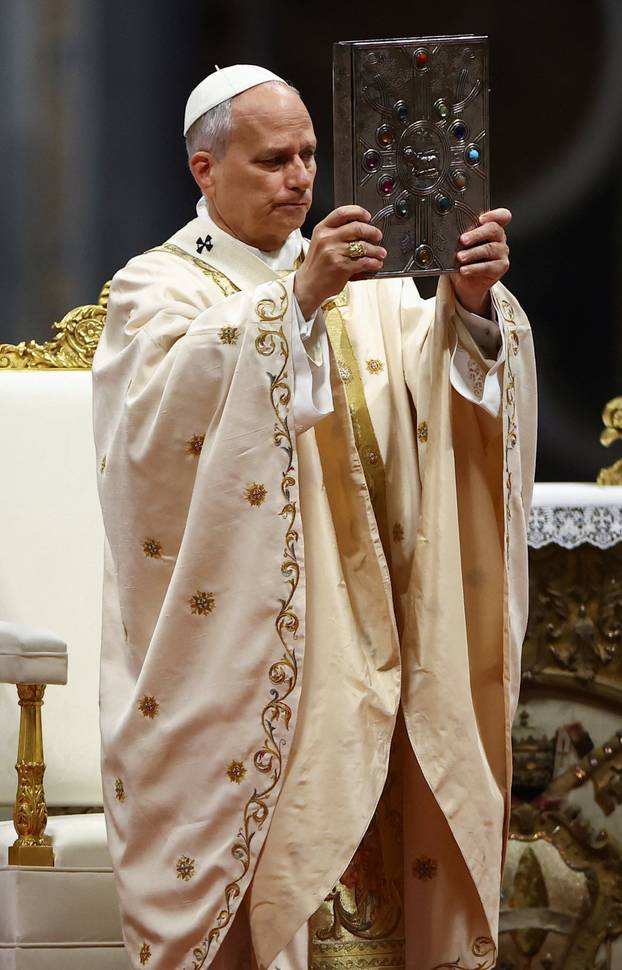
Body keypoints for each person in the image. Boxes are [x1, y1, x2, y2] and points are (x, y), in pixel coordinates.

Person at [92, 64, 536, 970]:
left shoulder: (362, 279)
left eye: (308, 155)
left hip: (379, 637)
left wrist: (471, 303)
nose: (299, 178)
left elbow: (434, 389)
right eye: (271, 160)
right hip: (260, 656)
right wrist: (291, 306)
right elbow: (150, 446)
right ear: (205, 170)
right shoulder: (158, 289)